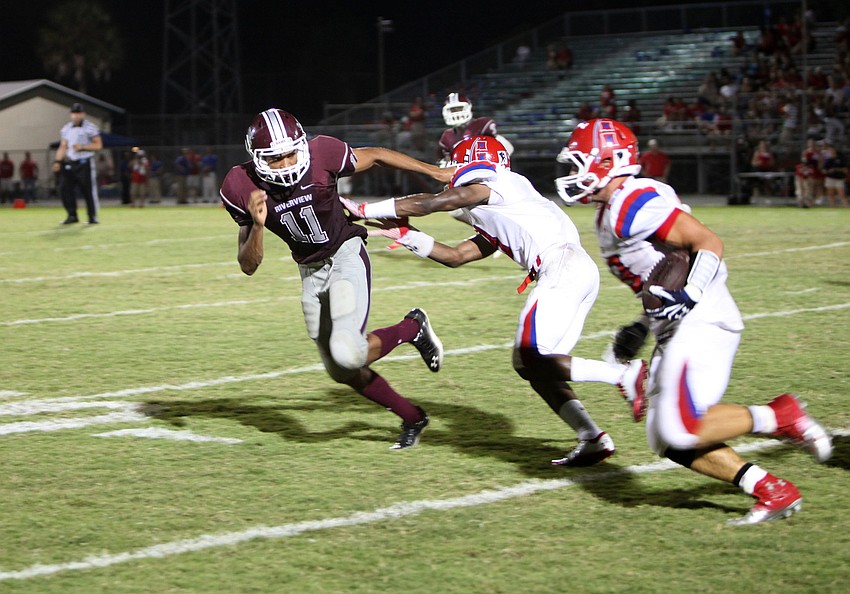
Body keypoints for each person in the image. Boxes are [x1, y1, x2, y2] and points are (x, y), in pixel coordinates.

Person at [554, 119, 832, 525]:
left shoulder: (633, 201)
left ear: (609, 161)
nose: (573, 173)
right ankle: (772, 490)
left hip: (702, 319)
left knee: (682, 426)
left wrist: (691, 294)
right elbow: (662, 274)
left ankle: (780, 415)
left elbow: (707, 243)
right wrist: (643, 326)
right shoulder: (611, 211)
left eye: (580, 162)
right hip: (678, 325)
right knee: (665, 437)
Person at [342, 136, 649, 467]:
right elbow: (458, 255)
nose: (450, 167)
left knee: (533, 357)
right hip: (572, 271)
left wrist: (363, 209)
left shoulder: (496, 181)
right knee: (531, 365)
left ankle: (621, 374)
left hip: (561, 268)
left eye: (454, 161)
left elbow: (435, 202)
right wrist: (408, 236)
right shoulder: (502, 205)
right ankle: (592, 438)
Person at [219, 107, 453, 450]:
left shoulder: (323, 152)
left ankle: (411, 329)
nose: (285, 164)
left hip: (345, 253)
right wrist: (257, 225)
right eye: (275, 158)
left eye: (290, 154)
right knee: (340, 371)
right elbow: (248, 265)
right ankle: (413, 416)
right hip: (310, 271)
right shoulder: (239, 184)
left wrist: (433, 171)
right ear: (256, 159)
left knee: (348, 352)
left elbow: (375, 155)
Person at [52, 103, 102, 224]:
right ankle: (72, 215)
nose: (76, 116)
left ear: (83, 114)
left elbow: (98, 145)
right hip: (70, 162)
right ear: (71, 114)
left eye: (79, 113)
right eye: (74, 113)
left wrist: (83, 147)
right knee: (64, 189)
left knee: (88, 190)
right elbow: (63, 146)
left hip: (84, 162)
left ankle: (92, 216)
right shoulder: (66, 128)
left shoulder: (90, 127)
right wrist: (58, 161)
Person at [437, 92, 514, 167]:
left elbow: (505, 147)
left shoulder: (482, 125)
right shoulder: (447, 136)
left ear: (468, 107)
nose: (456, 113)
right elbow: (446, 161)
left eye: (459, 108)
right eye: (452, 110)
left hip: (487, 168)